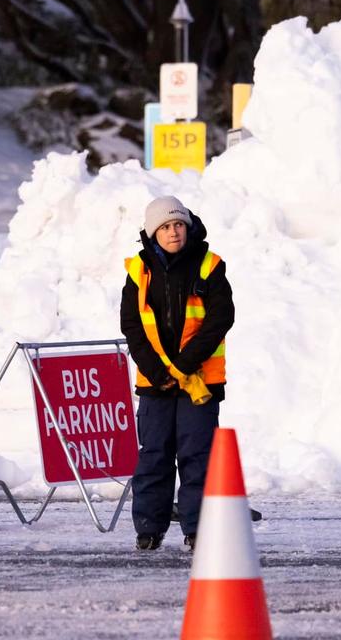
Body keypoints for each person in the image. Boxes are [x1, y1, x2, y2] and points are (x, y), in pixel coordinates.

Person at [121, 195, 234, 551]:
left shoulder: (210, 265)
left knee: (197, 455)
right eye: (166, 227)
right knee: (154, 454)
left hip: (198, 381)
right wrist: (156, 372)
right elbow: (132, 326)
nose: (174, 233)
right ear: (154, 233)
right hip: (156, 384)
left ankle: (198, 529)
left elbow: (221, 319)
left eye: (179, 225)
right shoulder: (138, 273)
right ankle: (148, 528)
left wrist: (184, 365)